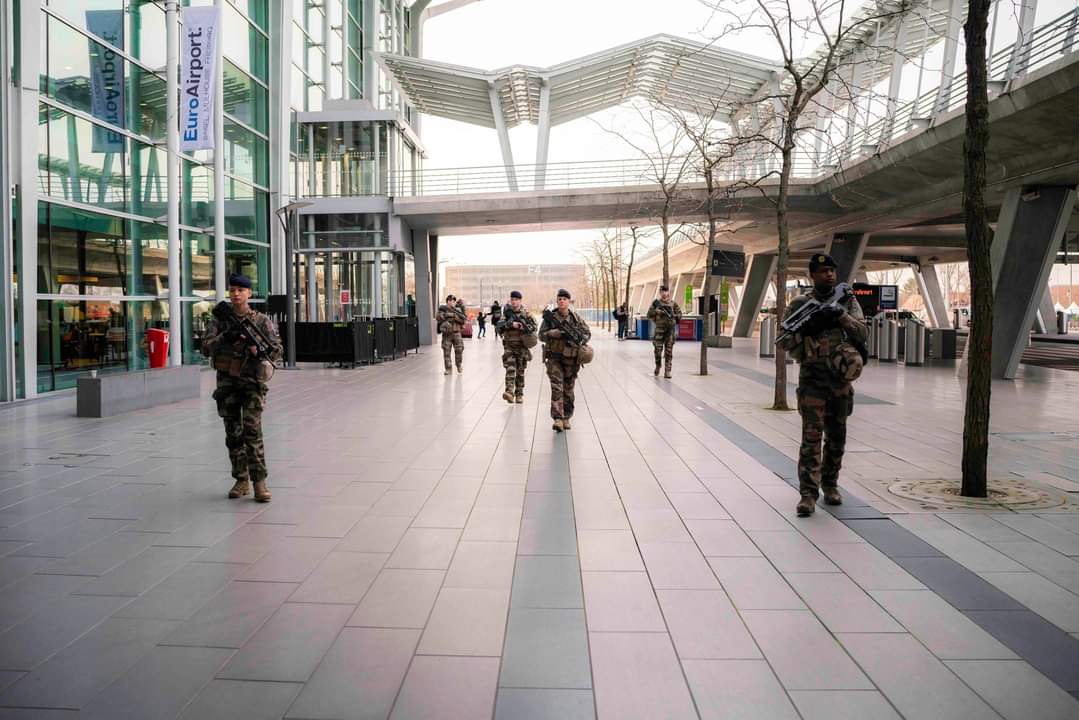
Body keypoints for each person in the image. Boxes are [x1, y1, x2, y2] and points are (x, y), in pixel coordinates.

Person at [778, 254, 868, 517]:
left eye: (831, 270)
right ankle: (808, 494)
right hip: (813, 380)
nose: (829, 274)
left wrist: (841, 317)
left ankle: (830, 485)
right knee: (811, 438)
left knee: (837, 437)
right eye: (823, 271)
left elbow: (863, 333)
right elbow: (784, 342)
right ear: (812, 276)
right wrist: (808, 330)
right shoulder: (799, 304)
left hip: (840, 381)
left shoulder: (847, 300)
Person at [201, 273, 282, 503]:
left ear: (249, 293)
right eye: (233, 290)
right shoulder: (220, 321)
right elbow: (206, 349)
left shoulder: (262, 321)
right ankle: (241, 479)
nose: (236, 294)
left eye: (240, 290)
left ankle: (259, 482)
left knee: (252, 432)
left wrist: (258, 352)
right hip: (227, 383)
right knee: (233, 433)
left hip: (252, 383)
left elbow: (277, 351)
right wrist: (226, 337)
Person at [539, 289, 591, 432]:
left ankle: (567, 417)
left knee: (568, 389)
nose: (561, 301)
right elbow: (540, 336)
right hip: (554, 358)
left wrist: (577, 338)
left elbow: (587, 334)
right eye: (559, 298)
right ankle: (557, 418)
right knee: (557, 388)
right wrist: (551, 333)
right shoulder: (550, 318)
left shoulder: (576, 319)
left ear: (569, 301)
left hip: (571, 360)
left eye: (564, 299)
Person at [497, 290, 537, 404]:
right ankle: (509, 392)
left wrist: (523, 327)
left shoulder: (526, 314)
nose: (514, 302)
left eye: (516, 300)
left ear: (520, 301)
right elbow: (499, 326)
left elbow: (534, 328)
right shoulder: (506, 314)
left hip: (522, 347)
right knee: (510, 369)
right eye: (512, 300)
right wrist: (510, 324)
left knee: (520, 371)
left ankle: (519, 394)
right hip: (509, 346)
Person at [647, 285, 682, 378]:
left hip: (670, 331)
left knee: (668, 352)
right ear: (660, 292)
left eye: (666, 291)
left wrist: (673, 315)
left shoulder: (673, 304)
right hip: (659, 331)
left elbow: (680, 315)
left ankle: (667, 371)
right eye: (662, 291)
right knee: (657, 351)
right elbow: (649, 314)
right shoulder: (656, 304)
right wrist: (657, 312)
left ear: (668, 292)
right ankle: (658, 366)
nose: (664, 293)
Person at [436, 294, 466, 374]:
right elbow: (439, 318)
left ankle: (459, 365)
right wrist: (449, 315)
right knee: (446, 352)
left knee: (459, 350)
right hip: (447, 334)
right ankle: (448, 369)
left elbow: (463, 320)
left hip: (457, 333)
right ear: (448, 301)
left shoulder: (458, 310)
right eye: (451, 301)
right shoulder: (442, 309)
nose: (453, 302)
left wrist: (455, 317)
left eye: (454, 301)